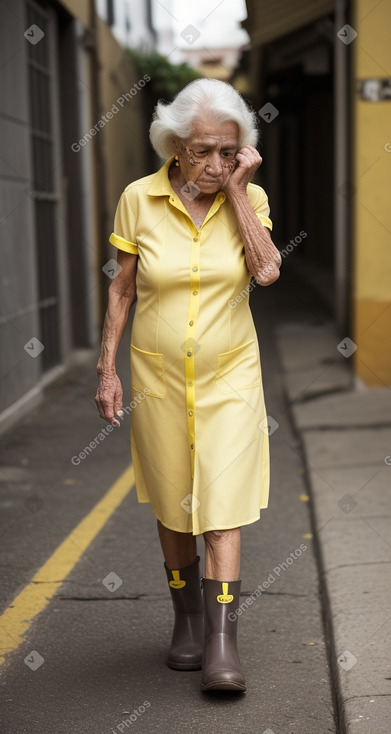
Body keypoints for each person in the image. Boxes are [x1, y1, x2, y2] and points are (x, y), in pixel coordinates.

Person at [95, 78, 282, 692]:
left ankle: (222, 643)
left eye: (228, 152)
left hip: (231, 377)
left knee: (222, 505)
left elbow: (267, 270)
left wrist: (233, 191)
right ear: (174, 145)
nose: (214, 163)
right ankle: (188, 621)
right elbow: (123, 289)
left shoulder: (246, 196)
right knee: (176, 503)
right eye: (202, 151)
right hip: (158, 377)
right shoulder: (138, 199)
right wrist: (107, 371)